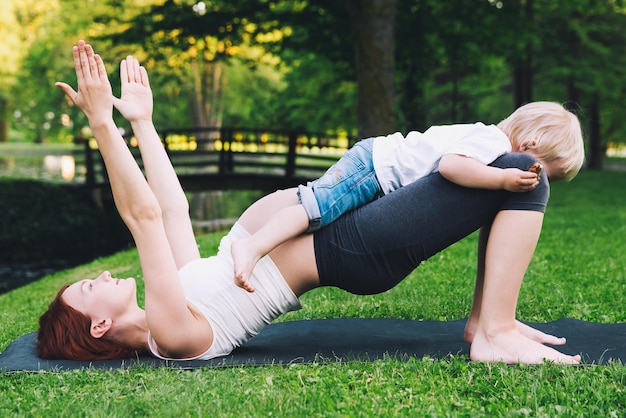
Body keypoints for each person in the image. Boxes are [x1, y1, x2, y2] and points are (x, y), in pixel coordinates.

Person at [37, 41, 585, 365]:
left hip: (343, 228)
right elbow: (144, 217)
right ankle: (495, 331)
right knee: (520, 170)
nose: (103, 275)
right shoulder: (172, 334)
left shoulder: (173, 300)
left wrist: (142, 122)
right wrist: (103, 127)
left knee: (508, 172)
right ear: (98, 328)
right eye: (90, 288)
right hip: (352, 245)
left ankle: (487, 324)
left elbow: (173, 209)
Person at [232, 100, 583, 292]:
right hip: (371, 166)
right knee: (314, 208)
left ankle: (263, 245)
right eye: (543, 171)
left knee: (317, 210)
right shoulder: (492, 143)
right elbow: (451, 166)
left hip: (377, 171)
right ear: (530, 146)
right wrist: (502, 180)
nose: (535, 178)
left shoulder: (487, 139)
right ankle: (254, 247)